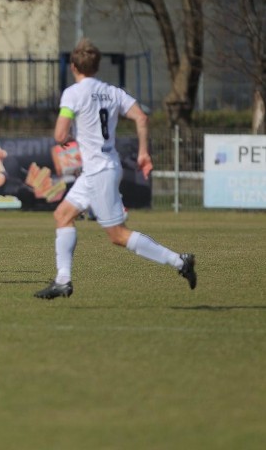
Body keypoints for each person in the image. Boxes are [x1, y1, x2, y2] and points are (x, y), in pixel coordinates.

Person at [34, 38, 196, 299]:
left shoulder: (73, 93)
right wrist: (144, 152)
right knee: (62, 215)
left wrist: (69, 137)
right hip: (102, 167)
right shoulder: (112, 91)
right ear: (97, 66)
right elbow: (141, 117)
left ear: (74, 66)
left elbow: (59, 134)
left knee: (118, 235)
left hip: (99, 171)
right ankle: (62, 281)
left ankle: (179, 261)